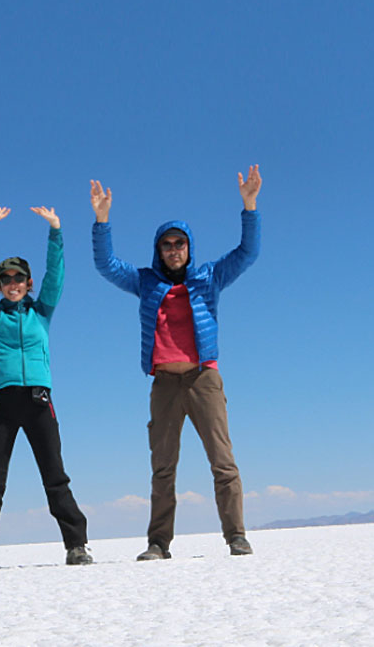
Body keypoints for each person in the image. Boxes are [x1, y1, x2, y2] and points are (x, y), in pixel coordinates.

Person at [88, 167, 262, 559]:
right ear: (158, 250)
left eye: (179, 243)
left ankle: (236, 536)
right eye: (166, 244)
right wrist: (102, 220)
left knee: (222, 462)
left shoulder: (209, 277)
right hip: (165, 383)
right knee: (163, 467)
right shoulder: (146, 281)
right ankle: (158, 543)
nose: (173, 249)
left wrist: (249, 206)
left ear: (189, 247)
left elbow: (247, 253)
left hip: (203, 380)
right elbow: (107, 265)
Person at [0, 206, 92, 572]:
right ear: (0, 285)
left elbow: (56, 276)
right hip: (2, 399)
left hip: (38, 398)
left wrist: (56, 231)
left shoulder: (42, 312)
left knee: (55, 475)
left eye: (19, 278)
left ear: (28, 283)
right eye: (6, 279)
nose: (13, 284)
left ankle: (76, 545)